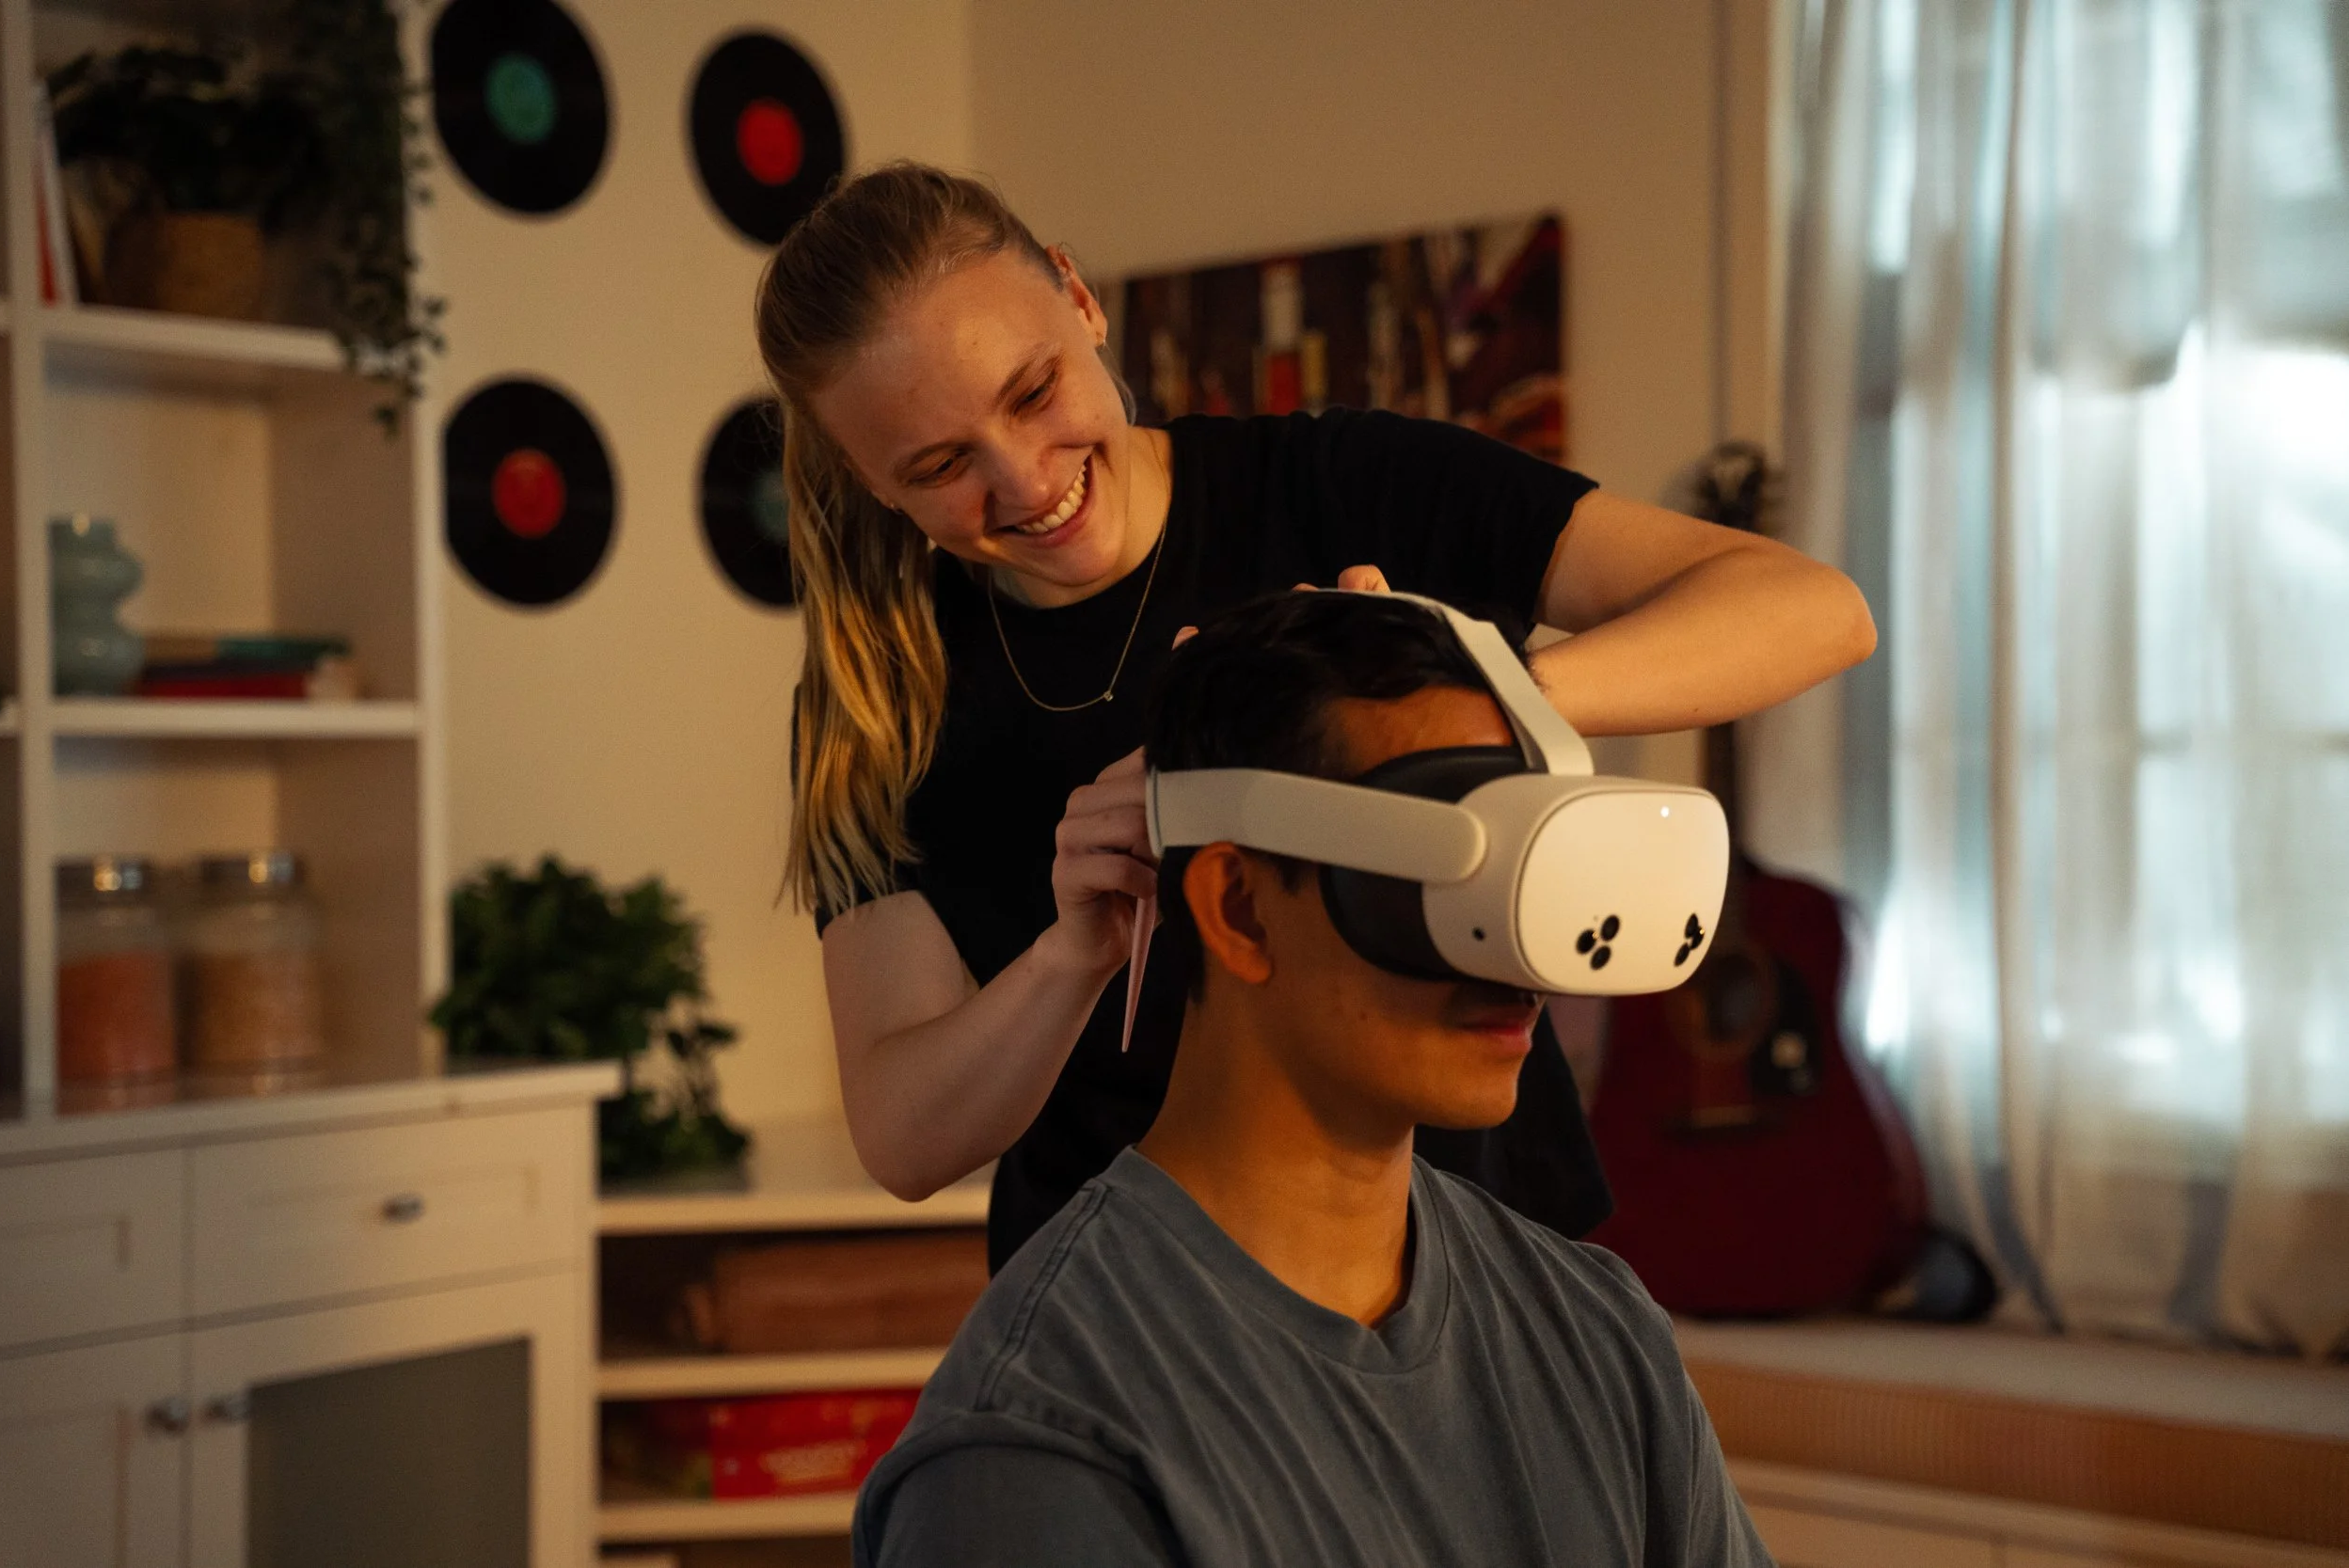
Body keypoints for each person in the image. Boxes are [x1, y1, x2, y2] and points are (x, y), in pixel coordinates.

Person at [757, 161, 1876, 1271]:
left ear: (1077, 294)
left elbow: (1810, 610)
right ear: (870, 480)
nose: (1021, 478)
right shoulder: (878, 692)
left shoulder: (1346, 486)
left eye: (1034, 389)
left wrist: (1445, 699)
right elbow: (905, 1138)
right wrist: (1069, 957)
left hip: (1477, 1248)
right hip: (1132, 1296)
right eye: (942, 463)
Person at [850, 592, 1775, 1567]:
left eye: (1527, 881)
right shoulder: (1045, 1446)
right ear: (1241, 907)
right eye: (1454, 888)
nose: (1520, 964)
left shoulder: (1596, 1331)